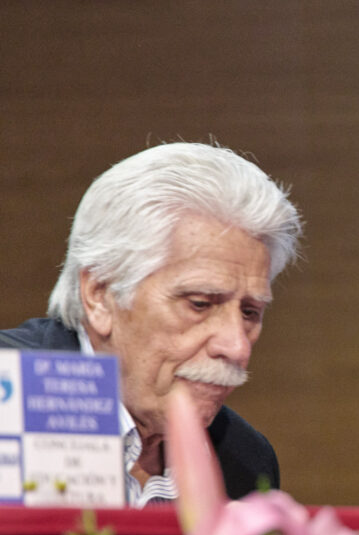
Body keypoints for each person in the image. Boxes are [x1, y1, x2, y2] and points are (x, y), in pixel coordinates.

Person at [0, 143, 303, 505]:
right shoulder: (8, 401)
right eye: (200, 304)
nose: (237, 347)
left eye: (250, 312)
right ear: (100, 294)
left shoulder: (245, 459)